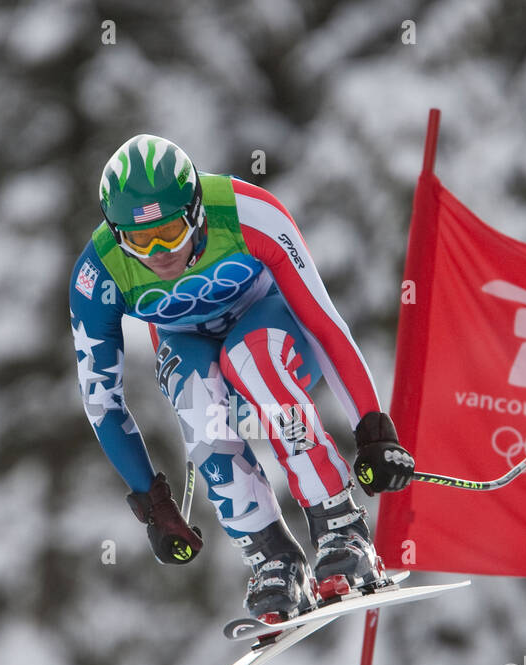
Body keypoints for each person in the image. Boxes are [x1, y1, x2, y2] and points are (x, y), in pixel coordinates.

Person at [69, 133, 415, 623]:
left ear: (196, 212)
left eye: (171, 231)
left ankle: (340, 527)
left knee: (249, 357)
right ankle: (271, 557)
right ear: (116, 234)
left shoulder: (247, 214)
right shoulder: (98, 274)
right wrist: (153, 503)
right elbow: (102, 400)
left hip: (273, 332)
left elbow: (323, 323)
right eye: (140, 240)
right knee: (193, 392)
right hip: (190, 346)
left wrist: (373, 430)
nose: (161, 252)